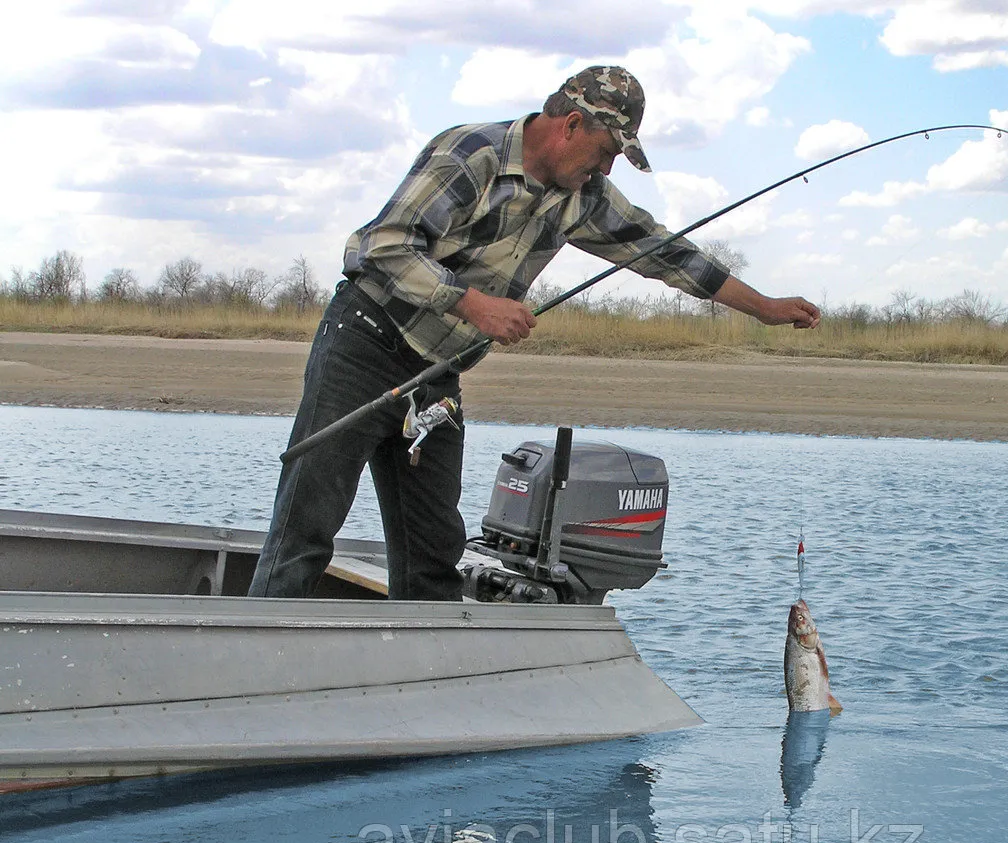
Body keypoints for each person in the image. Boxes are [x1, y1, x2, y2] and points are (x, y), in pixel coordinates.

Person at [249, 65, 820, 602]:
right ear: (571, 125)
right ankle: (253, 657)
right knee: (309, 521)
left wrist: (763, 307)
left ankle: (424, 678)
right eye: (605, 153)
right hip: (365, 343)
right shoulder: (471, 155)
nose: (605, 170)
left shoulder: (584, 196)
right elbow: (380, 247)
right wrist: (473, 304)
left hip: (434, 377)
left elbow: (667, 255)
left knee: (434, 547)